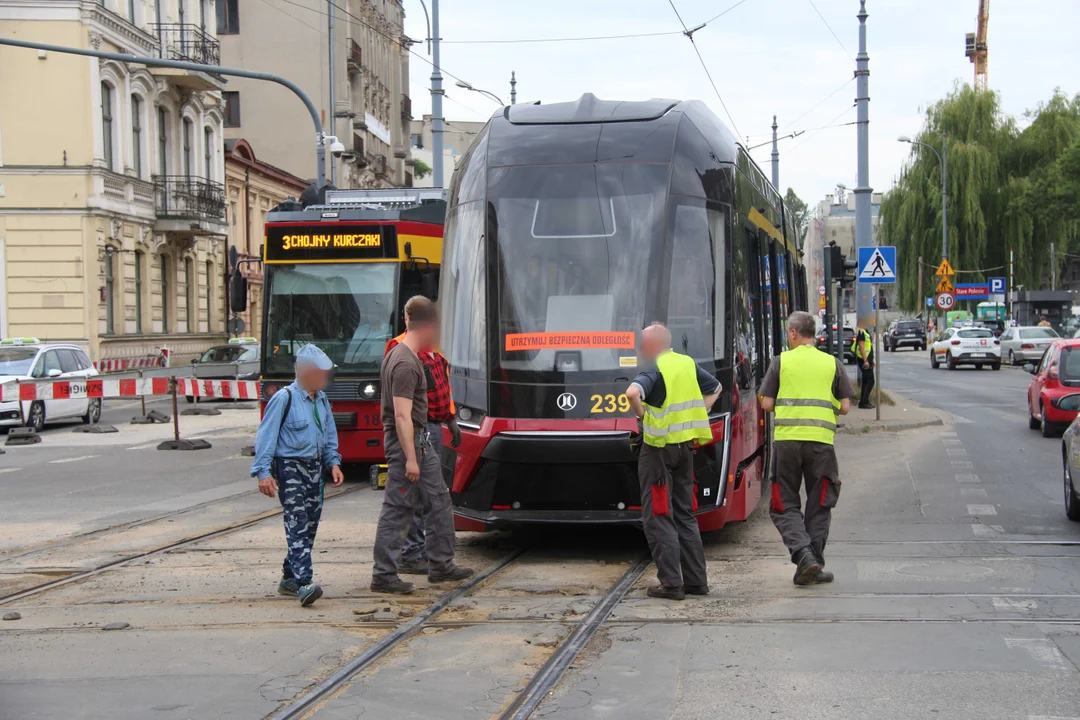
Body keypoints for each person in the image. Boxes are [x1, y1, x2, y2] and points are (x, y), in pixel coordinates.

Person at [371, 296, 473, 594]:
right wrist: (411, 458)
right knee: (398, 507)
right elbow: (401, 416)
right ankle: (384, 575)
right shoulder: (403, 362)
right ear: (426, 326)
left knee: (438, 500)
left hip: (420, 441)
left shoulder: (416, 357)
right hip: (409, 442)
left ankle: (441, 564)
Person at [625, 323, 721, 601]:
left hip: (657, 452)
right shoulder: (686, 363)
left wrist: (644, 417)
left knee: (658, 515)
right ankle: (696, 581)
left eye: (642, 342)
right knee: (684, 513)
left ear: (653, 345)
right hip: (684, 449)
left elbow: (632, 393)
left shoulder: (654, 368)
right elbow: (716, 387)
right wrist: (702, 408)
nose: (639, 348)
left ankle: (671, 584)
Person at [760, 311, 853, 585]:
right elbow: (845, 406)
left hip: (788, 444)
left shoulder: (782, 361)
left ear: (793, 333)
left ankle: (804, 556)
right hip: (822, 446)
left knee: (783, 504)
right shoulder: (831, 363)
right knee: (820, 504)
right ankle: (815, 563)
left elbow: (766, 404)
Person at [251, 344, 344, 607]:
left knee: (310, 526)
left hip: (314, 468)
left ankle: (288, 577)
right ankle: (304, 584)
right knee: (298, 523)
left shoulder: (321, 399)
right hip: (289, 466)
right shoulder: (284, 398)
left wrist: (333, 462)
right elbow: (266, 436)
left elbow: (328, 435)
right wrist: (262, 472)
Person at [383, 327, 462, 575]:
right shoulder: (401, 350)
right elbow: (401, 407)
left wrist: (450, 419)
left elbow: (440, 387)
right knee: (415, 496)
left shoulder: (432, 349)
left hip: (433, 425)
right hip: (418, 427)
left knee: (434, 496)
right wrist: (410, 455)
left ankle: (434, 559)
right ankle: (410, 554)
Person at [852, 326, 874, 409]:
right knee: (870, 381)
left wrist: (871, 360)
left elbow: (868, 347)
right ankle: (863, 402)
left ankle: (865, 401)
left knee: (867, 381)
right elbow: (861, 346)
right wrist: (865, 361)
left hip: (868, 360)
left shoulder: (866, 331)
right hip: (864, 360)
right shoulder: (861, 332)